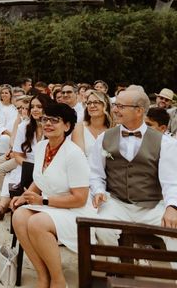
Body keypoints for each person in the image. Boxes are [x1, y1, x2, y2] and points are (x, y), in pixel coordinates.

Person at [11, 103, 95, 288]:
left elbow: (80, 198)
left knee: (37, 223)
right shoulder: (42, 147)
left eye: (54, 120)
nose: (47, 123)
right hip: (50, 206)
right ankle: (42, 275)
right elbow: (40, 180)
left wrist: (43, 200)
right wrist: (26, 196)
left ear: (67, 126)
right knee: (19, 216)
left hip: (75, 210)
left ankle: (58, 280)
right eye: (45, 119)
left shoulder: (74, 154)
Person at [89, 88, 177, 249]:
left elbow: (171, 181)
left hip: (151, 207)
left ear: (139, 111)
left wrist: (172, 207)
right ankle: (114, 270)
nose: (115, 109)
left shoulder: (165, 143)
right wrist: (99, 191)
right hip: (116, 203)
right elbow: (96, 173)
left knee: (174, 229)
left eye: (121, 106)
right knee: (100, 227)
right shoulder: (104, 138)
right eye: (115, 105)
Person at [0, 94, 49, 220]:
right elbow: (17, 155)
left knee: (11, 174)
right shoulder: (25, 127)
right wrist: (29, 166)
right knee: (13, 175)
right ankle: (5, 206)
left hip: (48, 167)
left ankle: (4, 206)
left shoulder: (51, 127)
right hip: (27, 164)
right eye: (32, 107)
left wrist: (41, 168)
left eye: (39, 106)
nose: (35, 109)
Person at [71, 89, 113, 155]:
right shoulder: (79, 128)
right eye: (89, 103)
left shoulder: (113, 128)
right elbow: (79, 156)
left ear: (105, 105)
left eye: (96, 102)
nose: (92, 106)